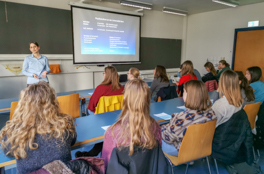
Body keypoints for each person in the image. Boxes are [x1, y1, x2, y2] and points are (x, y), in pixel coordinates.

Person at [0, 81, 76, 174]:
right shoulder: (66, 124)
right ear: (53, 102)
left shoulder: (14, 131)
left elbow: (8, 152)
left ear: (23, 104)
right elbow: (72, 141)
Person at [101, 79, 162, 167]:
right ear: (147, 99)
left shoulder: (113, 132)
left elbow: (107, 164)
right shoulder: (155, 126)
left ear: (125, 99)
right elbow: (157, 154)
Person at [161, 80, 216, 156]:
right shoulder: (211, 113)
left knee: (155, 137)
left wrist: (163, 127)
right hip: (202, 148)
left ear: (190, 96)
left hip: (183, 151)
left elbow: (167, 138)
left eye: (184, 92)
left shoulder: (182, 118)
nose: (182, 94)